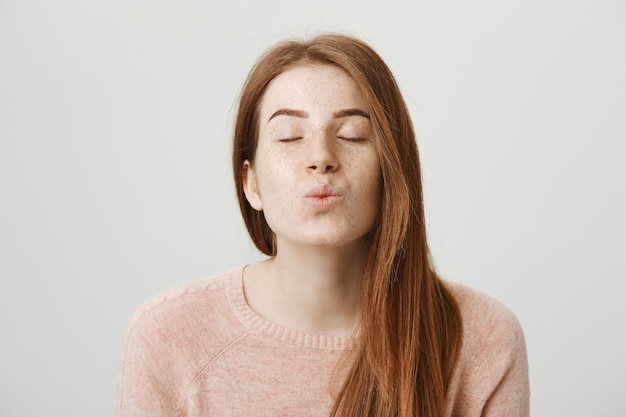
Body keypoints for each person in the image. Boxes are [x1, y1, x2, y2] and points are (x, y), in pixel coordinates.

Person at [115, 33, 529, 417]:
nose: (320, 157)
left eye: (351, 134)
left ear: (392, 172)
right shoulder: (168, 336)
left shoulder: (482, 337)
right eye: (289, 136)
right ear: (251, 183)